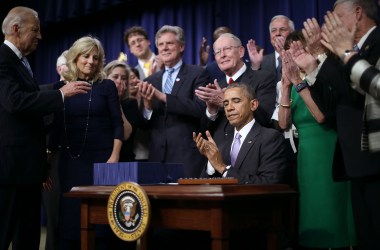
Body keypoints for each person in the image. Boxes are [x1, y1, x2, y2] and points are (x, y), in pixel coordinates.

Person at [0, 6, 91, 250]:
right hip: (11, 169)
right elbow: (15, 102)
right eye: (35, 30)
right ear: (15, 29)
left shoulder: (21, 62)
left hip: (28, 169)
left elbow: (31, 104)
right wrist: (60, 94)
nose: (40, 36)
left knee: (27, 238)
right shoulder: (3, 58)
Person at [300, 1, 380, 248]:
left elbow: (358, 92)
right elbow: (336, 101)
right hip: (358, 159)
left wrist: (330, 56)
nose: (329, 25)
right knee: (367, 237)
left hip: (374, 157)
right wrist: (319, 56)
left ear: (358, 13)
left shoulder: (375, 42)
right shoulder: (352, 49)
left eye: (335, 17)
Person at [47, 36, 127, 250]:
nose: (91, 61)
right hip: (70, 163)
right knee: (70, 223)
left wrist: (115, 156)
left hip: (103, 162)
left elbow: (117, 124)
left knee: (102, 227)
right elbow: (55, 129)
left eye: (95, 57)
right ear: (75, 57)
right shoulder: (60, 87)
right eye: (86, 56)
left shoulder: (107, 86)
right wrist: (46, 161)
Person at [278, 32, 356, 249]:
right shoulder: (292, 81)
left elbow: (321, 116)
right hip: (306, 156)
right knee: (311, 210)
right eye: (289, 51)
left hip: (328, 150)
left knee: (330, 207)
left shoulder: (319, 78)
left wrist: (298, 82)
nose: (293, 54)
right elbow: (284, 123)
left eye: (297, 48)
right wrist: (286, 86)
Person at [138, 25, 210, 178]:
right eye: (161, 44)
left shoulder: (197, 74)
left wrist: (164, 97)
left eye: (169, 43)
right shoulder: (151, 80)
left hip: (187, 158)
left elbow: (200, 109)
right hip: (157, 158)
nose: (164, 48)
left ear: (182, 46)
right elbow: (143, 126)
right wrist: (147, 106)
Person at [194, 83, 287, 184]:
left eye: (236, 101)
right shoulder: (221, 140)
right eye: (225, 104)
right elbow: (205, 185)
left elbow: (269, 183)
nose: (229, 108)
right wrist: (212, 162)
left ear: (253, 105)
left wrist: (223, 168)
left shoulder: (270, 138)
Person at [195, 33, 276, 146]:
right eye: (218, 52)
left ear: (241, 51)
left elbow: (264, 119)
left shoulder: (263, 79)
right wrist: (212, 112)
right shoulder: (216, 87)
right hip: (222, 156)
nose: (222, 55)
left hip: (253, 151)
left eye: (227, 49)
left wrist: (225, 102)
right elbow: (205, 134)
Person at [41, 50, 69, 250]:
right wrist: (44, 166)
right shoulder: (45, 93)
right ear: (60, 69)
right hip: (52, 165)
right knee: (55, 222)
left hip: (77, 163)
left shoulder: (88, 94)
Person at [104, 60, 140, 161]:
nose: (119, 81)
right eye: (115, 77)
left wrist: (115, 100)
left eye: (123, 78)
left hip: (125, 161)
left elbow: (125, 135)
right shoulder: (99, 102)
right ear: (105, 78)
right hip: (102, 157)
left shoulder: (131, 104)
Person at [248, 15, 295, 82]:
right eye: (273, 30)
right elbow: (252, 88)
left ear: (292, 33)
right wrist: (255, 66)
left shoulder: (300, 57)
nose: (278, 33)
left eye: (283, 29)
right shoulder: (261, 62)